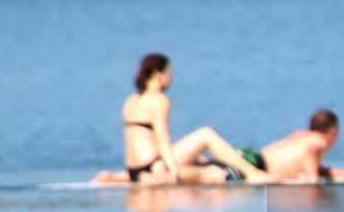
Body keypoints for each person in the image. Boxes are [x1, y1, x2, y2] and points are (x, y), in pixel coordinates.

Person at [92, 54, 273, 186]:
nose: (170, 79)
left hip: (134, 169)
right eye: (169, 74)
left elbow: (138, 143)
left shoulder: (131, 101)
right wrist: (174, 171)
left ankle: (114, 177)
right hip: (156, 167)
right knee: (206, 136)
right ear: (158, 74)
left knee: (201, 161)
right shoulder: (159, 100)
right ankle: (253, 173)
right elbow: (163, 139)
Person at [243, 109, 344, 183]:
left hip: (249, 158)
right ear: (333, 131)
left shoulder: (300, 135)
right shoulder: (318, 142)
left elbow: (316, 168)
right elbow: (312, 179)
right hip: (258, 167)